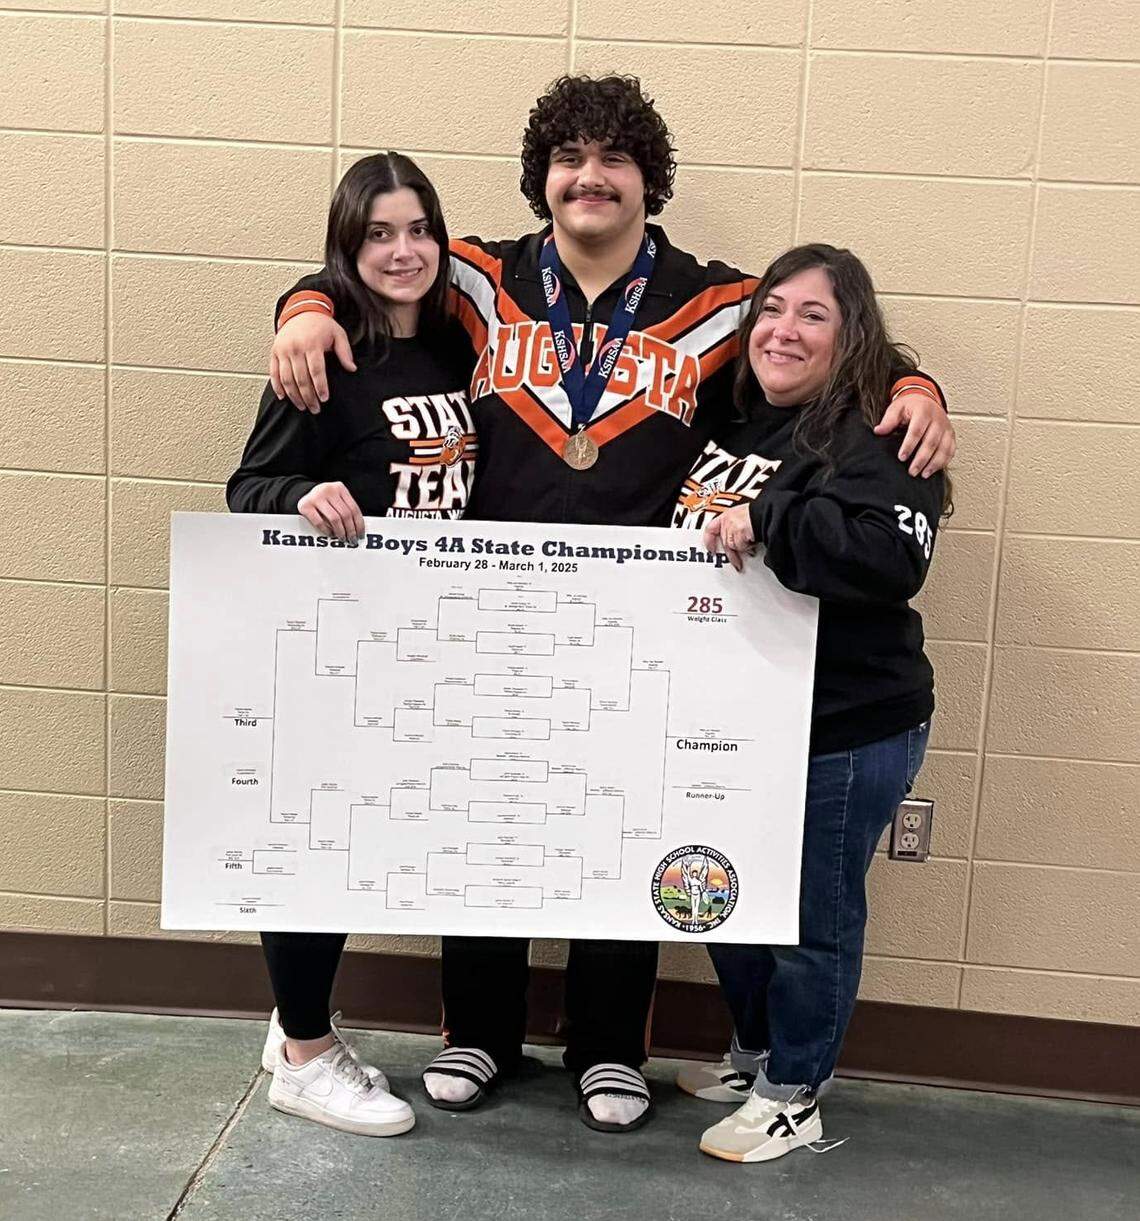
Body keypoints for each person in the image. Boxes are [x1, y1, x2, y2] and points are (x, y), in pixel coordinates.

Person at [263, 74, 957, 1134]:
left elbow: (825, 341)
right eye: (569, 159)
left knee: (630, 823)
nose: (590, 178)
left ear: (647, 180)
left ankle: (606, 1048)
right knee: (483, 813)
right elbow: (366, 267)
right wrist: (302, 311)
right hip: (487, 610)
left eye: (613, 160)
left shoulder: (721, 301)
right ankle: (480, 1036)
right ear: (544, 178)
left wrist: (917, 389)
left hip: (645, 622)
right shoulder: (478, 276)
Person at [671, 243, 948, 1163]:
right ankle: (759, 1052)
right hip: (740, 718)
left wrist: (772, 518)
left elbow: (888, 557)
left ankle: (796, 1093)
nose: (783, 330)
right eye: (773, 310)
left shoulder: (879, 428)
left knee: (813, 916)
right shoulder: (738, 419)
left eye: (813, 315)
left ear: (852, 335)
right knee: (723, 891)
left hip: (846, 725)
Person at [226, 150, 477, 1137]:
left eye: (419, 229)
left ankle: (298, 1023)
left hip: (438, 635)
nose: (403, 250)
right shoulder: (322, 353)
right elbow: (248, 488)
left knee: (370, 835)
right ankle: (301, 1053)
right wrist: (301, 494)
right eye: (379, 233)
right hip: (341, 635)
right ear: (347, 246)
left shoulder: (462, 347)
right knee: (317, 840)